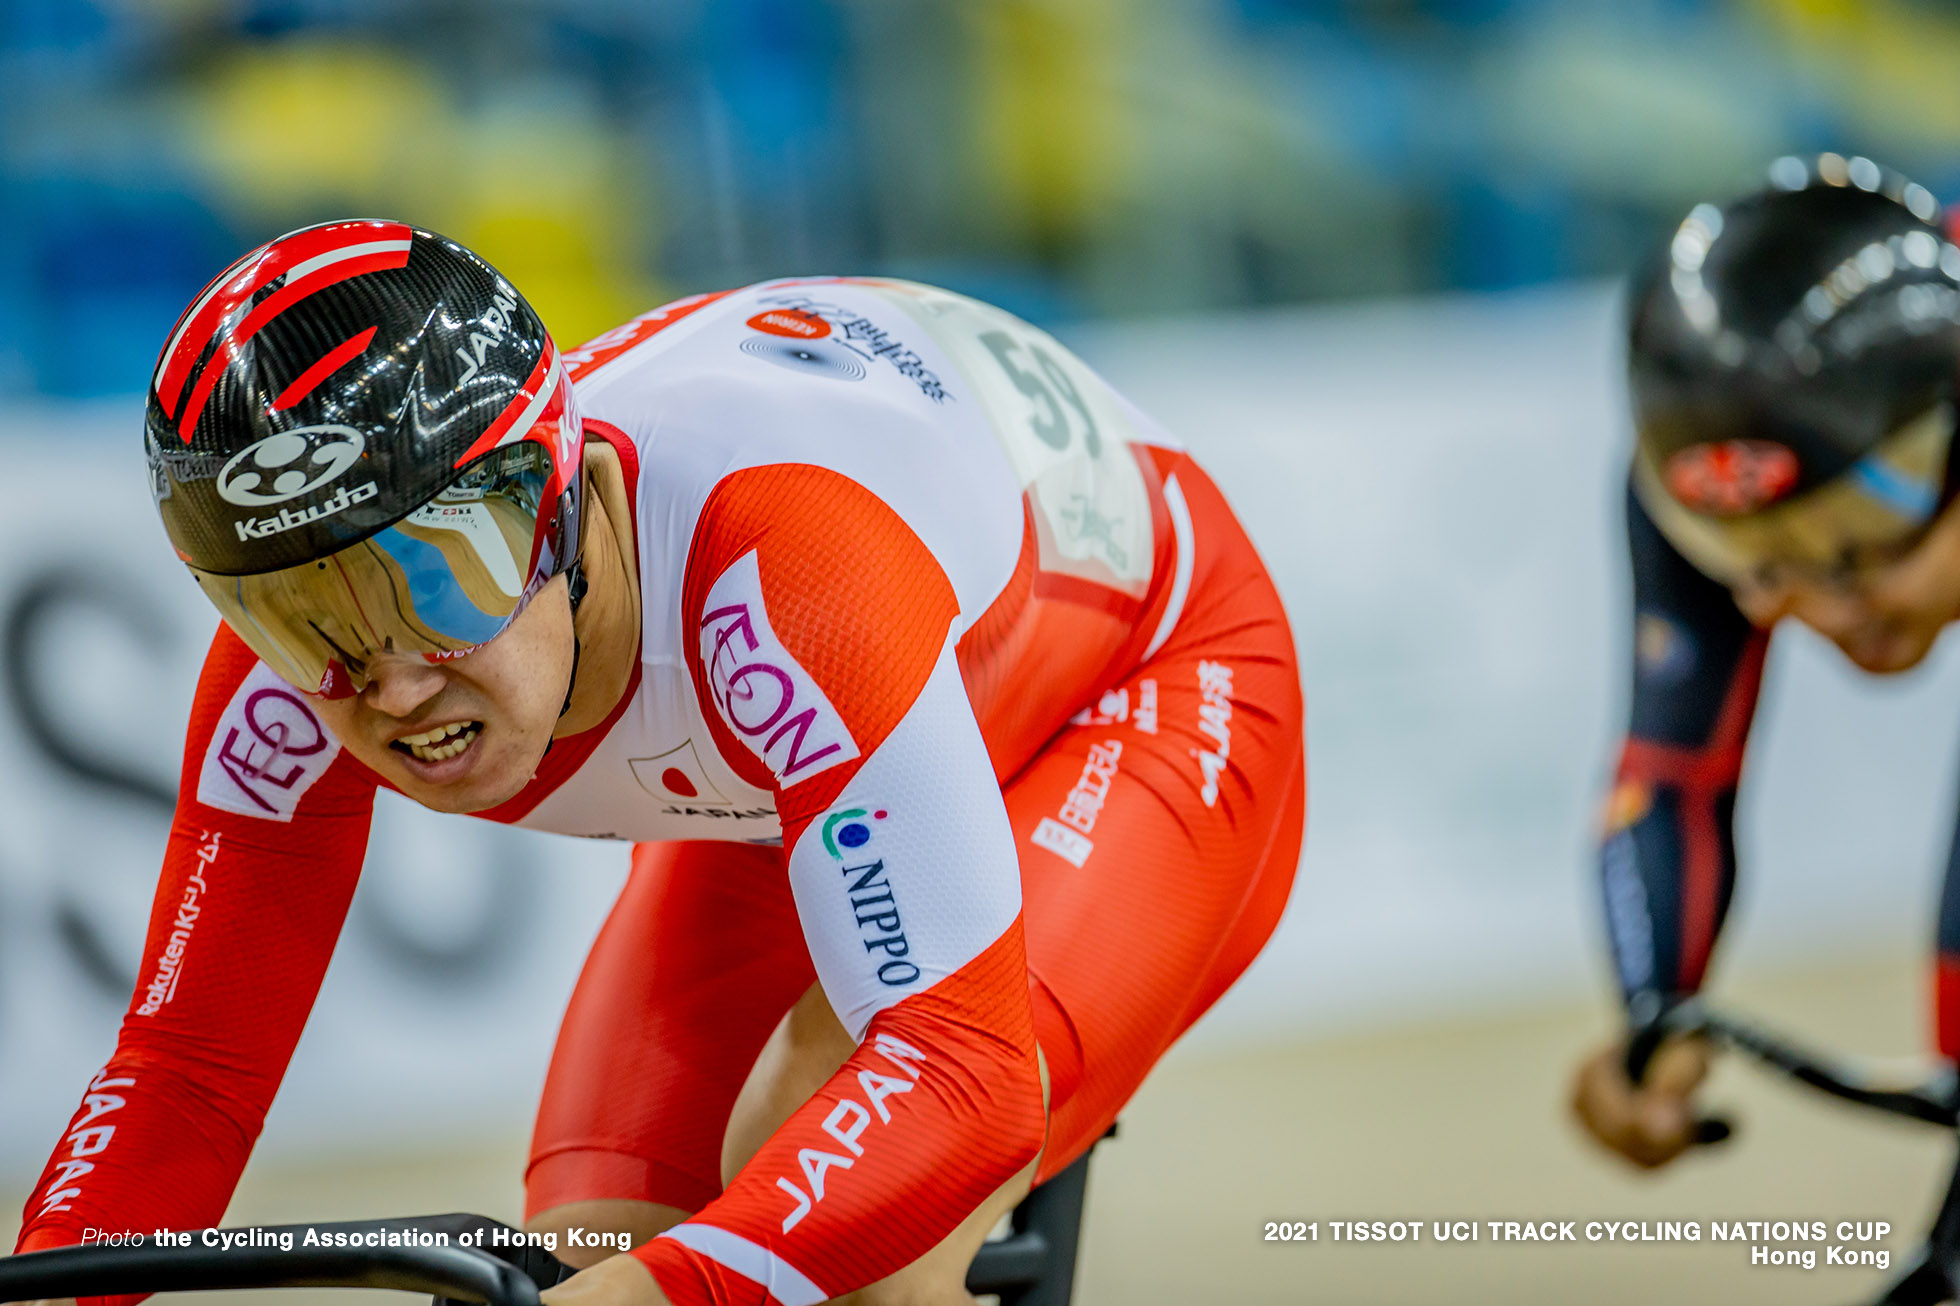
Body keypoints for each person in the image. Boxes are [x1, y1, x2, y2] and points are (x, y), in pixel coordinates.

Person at [9, 223, 1305, 1306]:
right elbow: (184, 1075)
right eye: (301, 618)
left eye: (439, 575)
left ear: (560, 497)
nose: (393, 683)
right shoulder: (290, 689)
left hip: (1146, 679)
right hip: (812, 746)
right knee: (591, 1243)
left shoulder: (778, 570)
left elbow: (956, 1083)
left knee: (827, 1223)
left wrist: (671, 1291)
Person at [1572, 154, 1960, 1167]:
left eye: (1853, 536)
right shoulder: (1715, 468)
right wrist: (1650, 1014)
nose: (1795, 602)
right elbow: (1667, 775)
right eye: (1746, 561)